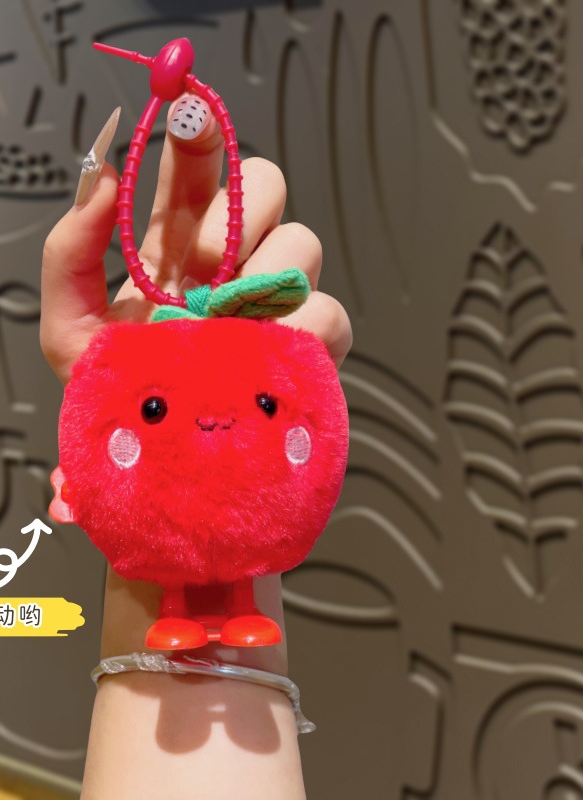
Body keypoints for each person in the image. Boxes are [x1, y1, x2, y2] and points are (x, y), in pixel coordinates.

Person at [40, 96, 352, 800]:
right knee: (185, 595)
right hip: (166, 627)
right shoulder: (115, 371)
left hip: (203, 639)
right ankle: (184, 616)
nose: (212, 426)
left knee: (229, 592)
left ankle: (231, 610)